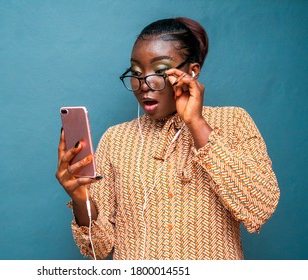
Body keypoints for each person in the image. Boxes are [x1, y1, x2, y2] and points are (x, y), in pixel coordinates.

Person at [55, 17, 280, 260]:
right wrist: (80, 199)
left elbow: (260, 207)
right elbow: (97, 248)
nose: (144, 84)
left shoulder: (232, 121)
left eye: (160, 71)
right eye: (136, 72)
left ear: (192, 71)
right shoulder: (115, 139)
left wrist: (196, 123)